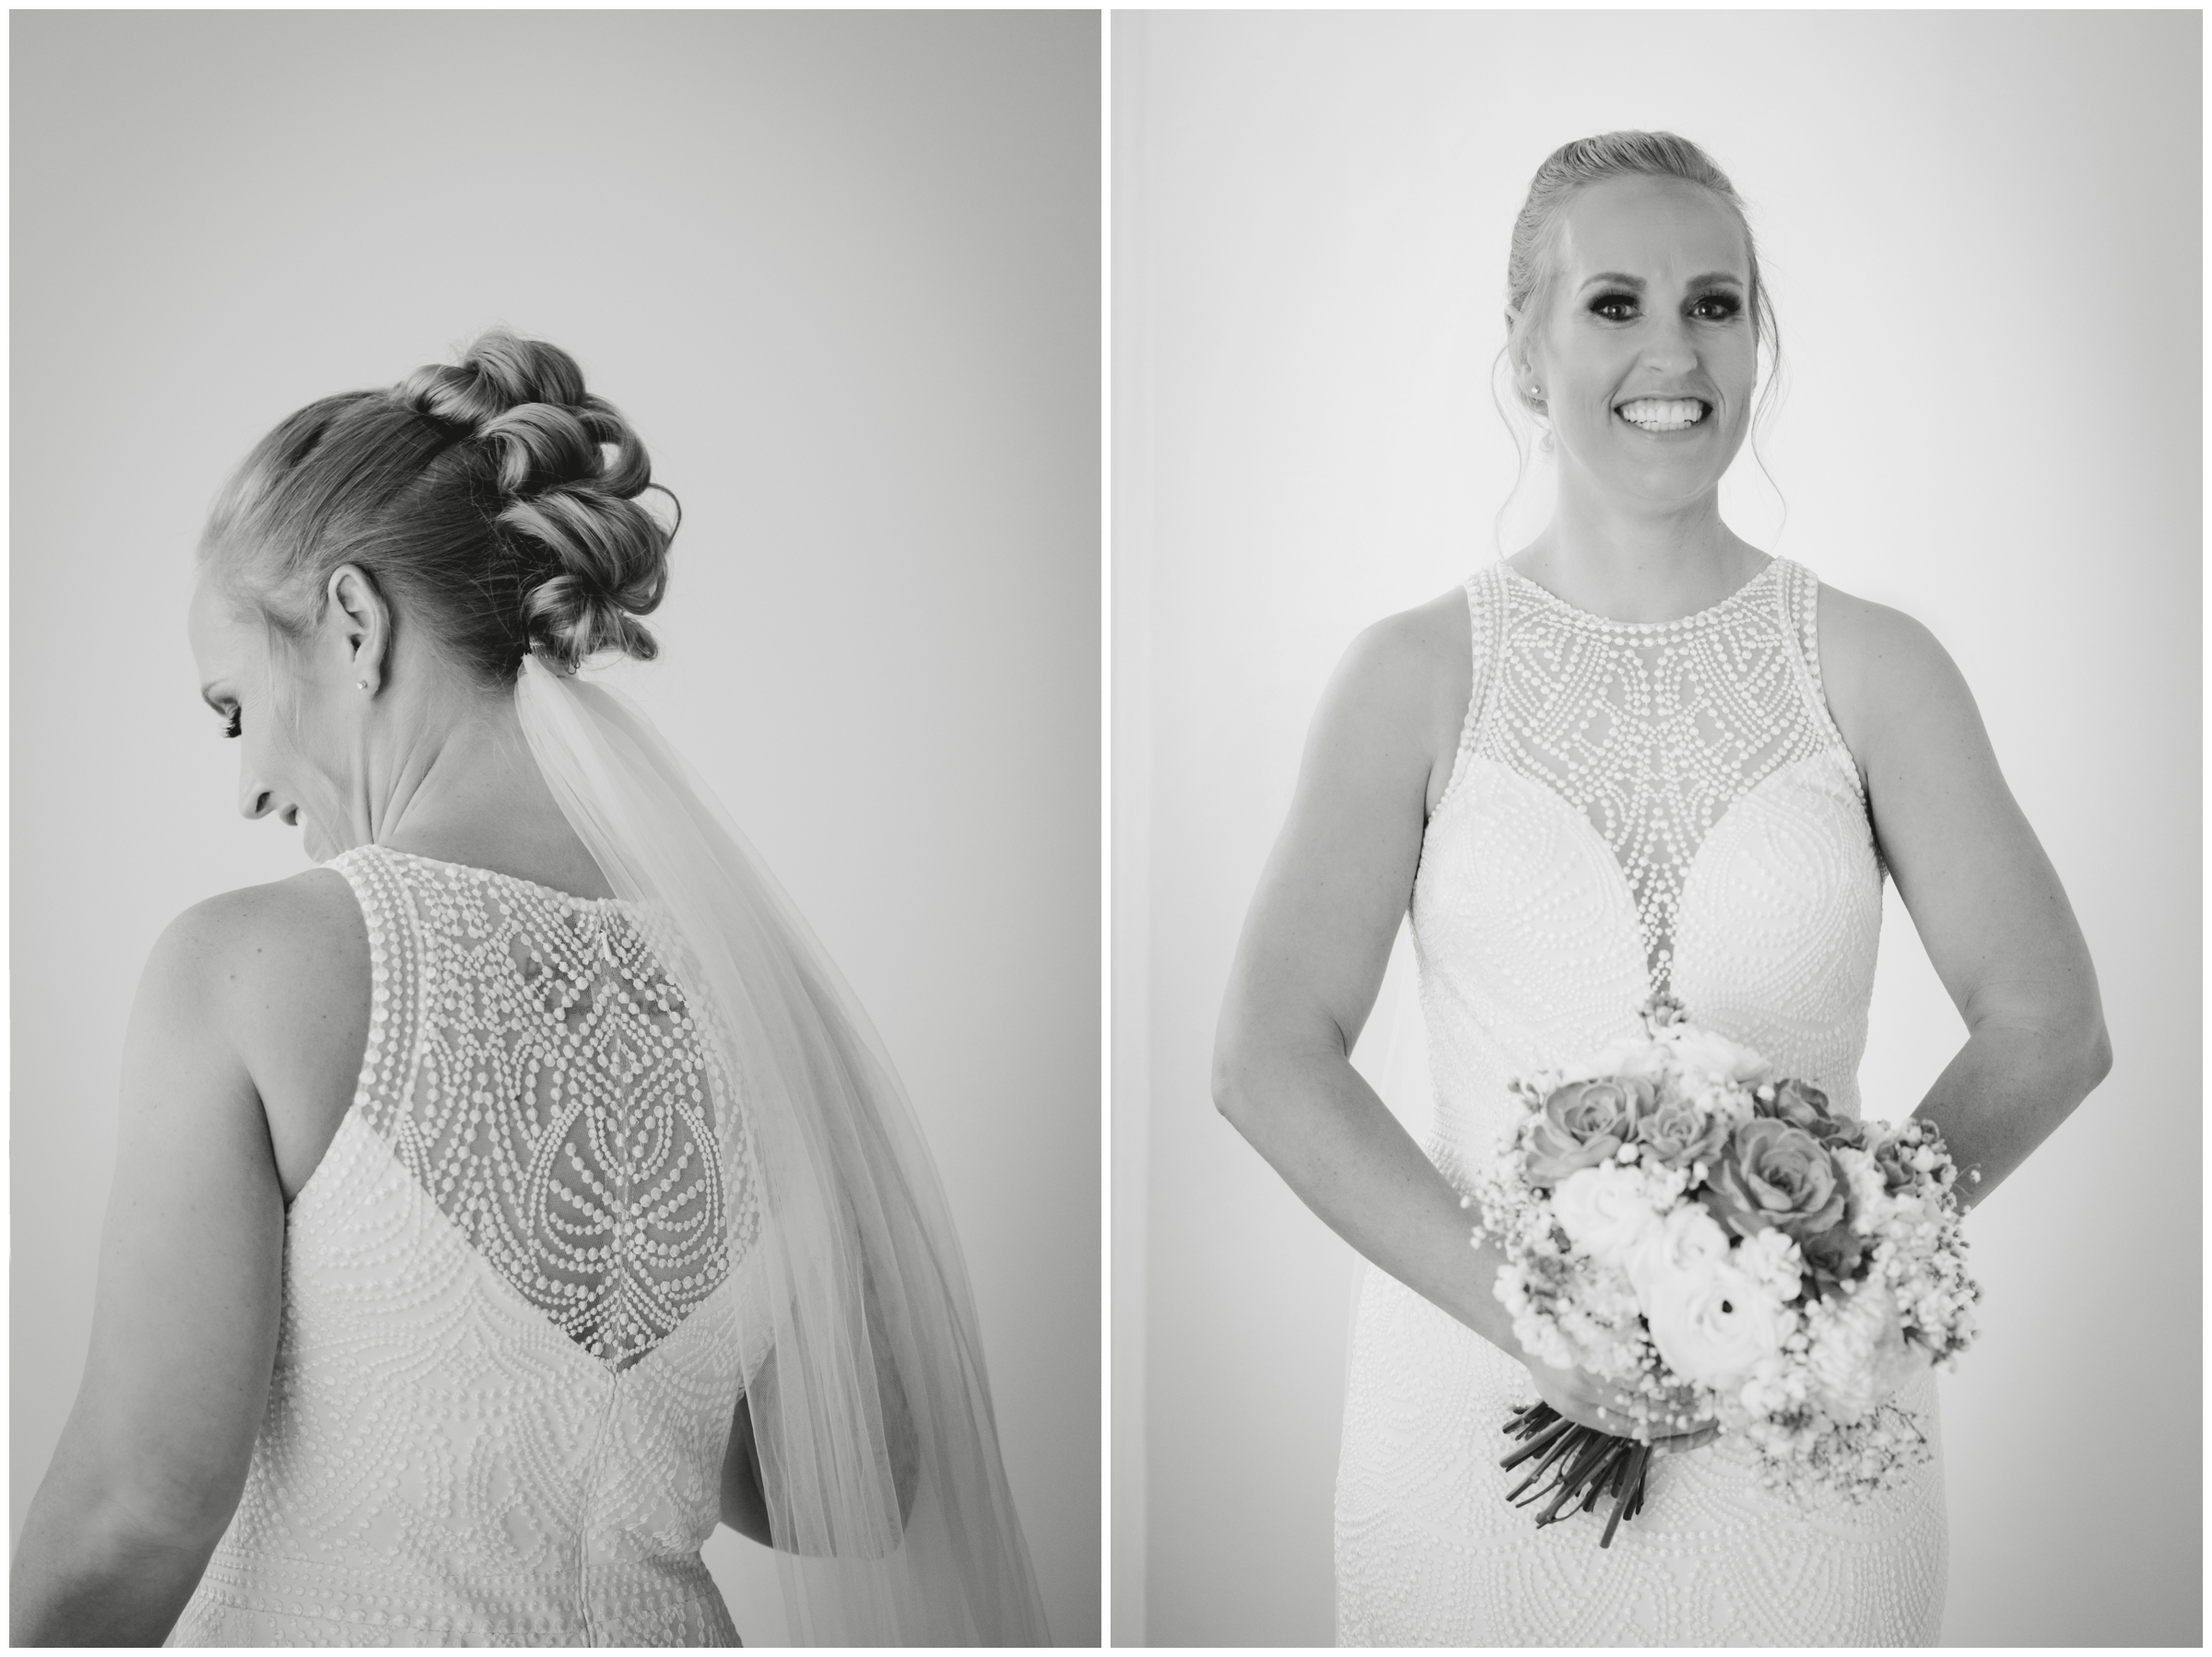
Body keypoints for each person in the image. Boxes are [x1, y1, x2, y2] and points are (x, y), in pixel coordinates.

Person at [10, 331, 1049, 1646]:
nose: (248, 786)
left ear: (351, 620)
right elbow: (846, 1492)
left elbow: (137, 1513)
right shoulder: (748, 988)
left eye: (234, 709)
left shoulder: (247, 971)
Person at [1212, 132, 2111, 1646]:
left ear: (1759, 341)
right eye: (1614, 304)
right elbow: (1266, 1057)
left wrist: (1831, 1255)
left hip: (1805, 1461)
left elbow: (2050, 1026)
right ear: (1525, 350)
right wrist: (1535, 1322)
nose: (1672, 349)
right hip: (1474, 1431)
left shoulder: (1875, 666)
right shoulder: (1413, 676)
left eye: (1716, 303)